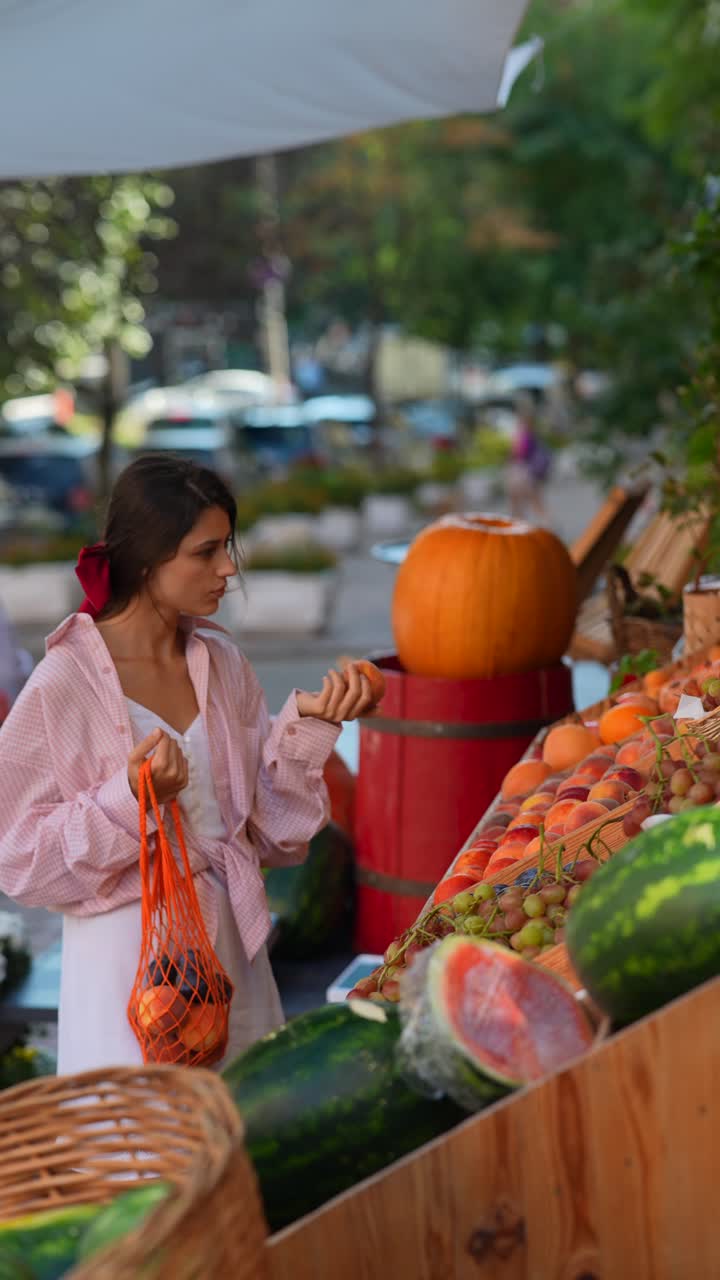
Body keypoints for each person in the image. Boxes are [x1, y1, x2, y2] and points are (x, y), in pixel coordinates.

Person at [0, 454, 376, 1074]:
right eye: (206, 552)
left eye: (228, 547)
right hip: (128, 979)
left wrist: (308, 726)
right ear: (147, 558)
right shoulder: (62, 685)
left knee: (240, 1139)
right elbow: (18, 860)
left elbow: (276, 837)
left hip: (233, 960)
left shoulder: (222, 664)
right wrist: (128, 802)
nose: (228, 569)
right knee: (147, 1154)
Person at [506, 392, 551, 522]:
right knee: (525, 501)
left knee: (525, 500)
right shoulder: (530, 432)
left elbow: (520, 452)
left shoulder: (524, 433)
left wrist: (511, 453)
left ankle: (547, 523)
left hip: (522, 470)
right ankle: (520, 525)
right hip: (526, 471)